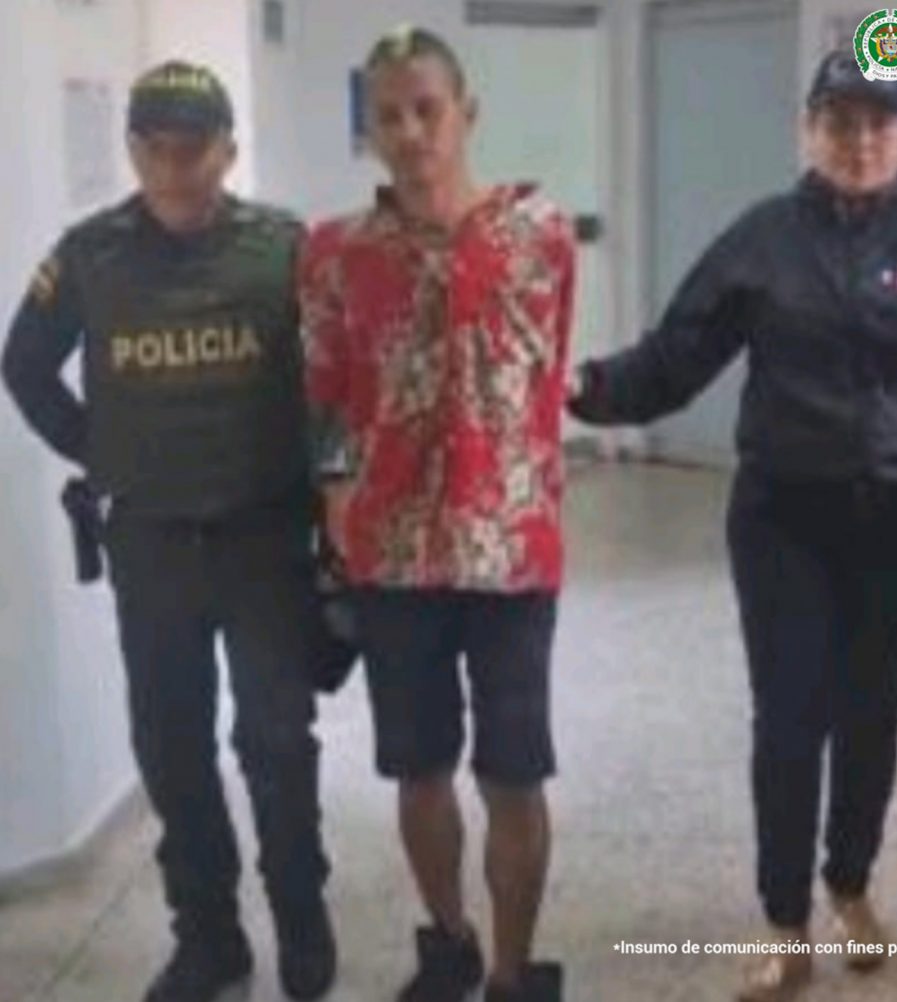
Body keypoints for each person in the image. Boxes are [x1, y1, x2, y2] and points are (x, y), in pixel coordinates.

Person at [567, 50, 897, 1002]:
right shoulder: (763, 238)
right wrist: (587, 389)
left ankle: (850, 885)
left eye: (879, 123)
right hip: (785, 521)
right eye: (839, 120)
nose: (859, 140)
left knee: (871, 715)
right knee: (788, 720)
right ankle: (784, 919)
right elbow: (678, 352)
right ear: (809, 130)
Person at [2, 61, 336, 1002]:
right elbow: (24, 366)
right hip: (151, 548)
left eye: (195, 149)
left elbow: (340, 371)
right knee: (172, 747)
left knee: (277, 742)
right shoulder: (90, 256)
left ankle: (304, 929)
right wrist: (99, 453)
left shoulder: (282, 249)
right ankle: (210, 939)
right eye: (155, 148)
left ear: (228, 149)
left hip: (263, 541)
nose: (176, 168)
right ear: (133, 151)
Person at [300, 26, 576, 1002]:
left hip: (510, 554)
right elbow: (323, 394)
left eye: (427, 109)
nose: (410, 132)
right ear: (369, 127)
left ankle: (510, 971)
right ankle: (450, 940)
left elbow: (546, 381)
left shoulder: (538, 236)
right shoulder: (334, 254)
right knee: (417, 768)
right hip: (392, 556)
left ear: (466, 114)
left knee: (513, 771)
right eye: (388, 115)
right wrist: (336, 493)